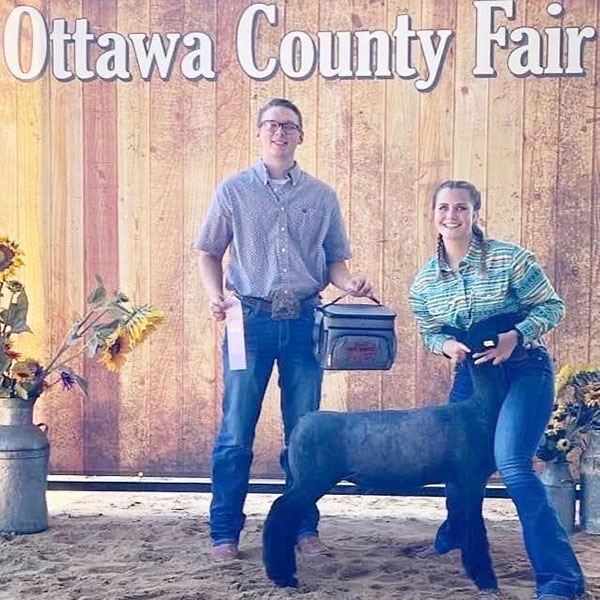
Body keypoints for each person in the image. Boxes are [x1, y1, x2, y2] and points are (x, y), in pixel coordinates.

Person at [195, 98, 374, 562]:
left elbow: (335, 261)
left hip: (304, 323)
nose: (280, 133)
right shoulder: (233, 191)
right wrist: (216, 295)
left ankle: (302, 529)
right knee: (235, 432)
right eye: (272, 125)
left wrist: (349, 282)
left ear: (301, 136)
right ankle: (224, 533)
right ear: (259, 133)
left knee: (304, 432)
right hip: (247, 321)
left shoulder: (322, 196)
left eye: (289, 126)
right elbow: (209, 252)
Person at [408, 180, 585, 600]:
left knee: (513, 466)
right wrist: (445, 345)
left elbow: (552, 307)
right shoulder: (425, 283)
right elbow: (429, 331)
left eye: (461, 209)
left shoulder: (510, 259)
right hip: (472, 376)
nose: (451, 216)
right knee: (458, 462)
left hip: (525, 371)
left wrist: (516, 337)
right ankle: (457, 528)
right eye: (444, 208)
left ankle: (561, 578)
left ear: (475, 213)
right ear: (433, 213)